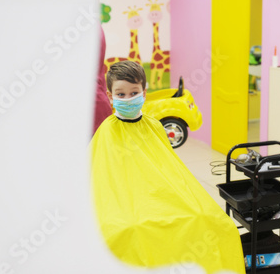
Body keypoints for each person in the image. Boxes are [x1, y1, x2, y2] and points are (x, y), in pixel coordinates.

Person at [90, 60, 245, 273]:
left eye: (134, 93)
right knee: (130, 229)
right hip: (124, 200)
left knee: (208, 220)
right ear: (110, 96)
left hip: (162, 193)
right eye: (121, 94)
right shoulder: (106, 132)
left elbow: (171, 169)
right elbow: (100, 178)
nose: (128, 99)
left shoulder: (154, 126)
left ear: (144, 93)